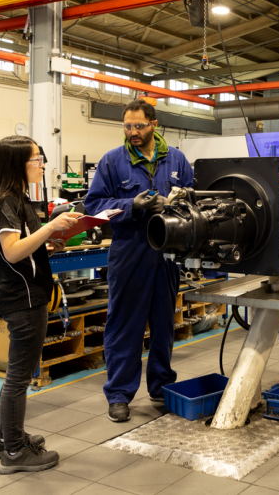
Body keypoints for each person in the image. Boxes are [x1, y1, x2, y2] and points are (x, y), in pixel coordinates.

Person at [85, 98, 194, 423]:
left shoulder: (177, 160)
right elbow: (94, 207)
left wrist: (179, 202)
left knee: (163, 325)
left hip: (167, 254)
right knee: (124, 326)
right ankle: (119, 393)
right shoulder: (112, 162)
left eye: (139, 126)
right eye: (128, 126)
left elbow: (192, 197)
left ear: (154, 125)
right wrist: (132, 204)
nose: (133, 132)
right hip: (130, 252)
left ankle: (161, 388)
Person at [0, 135, 82, 474]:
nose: (41, 165)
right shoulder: (6, 201)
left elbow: (22, 248)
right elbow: (10, 251)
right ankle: (13, 453)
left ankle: (4, 439)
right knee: (19, 377)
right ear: (17, 164)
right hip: (23, 299)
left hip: (26, 293)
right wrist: (52, 225)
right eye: (36, 159)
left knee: (16, 374)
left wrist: (47, 245)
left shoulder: (17, 199)